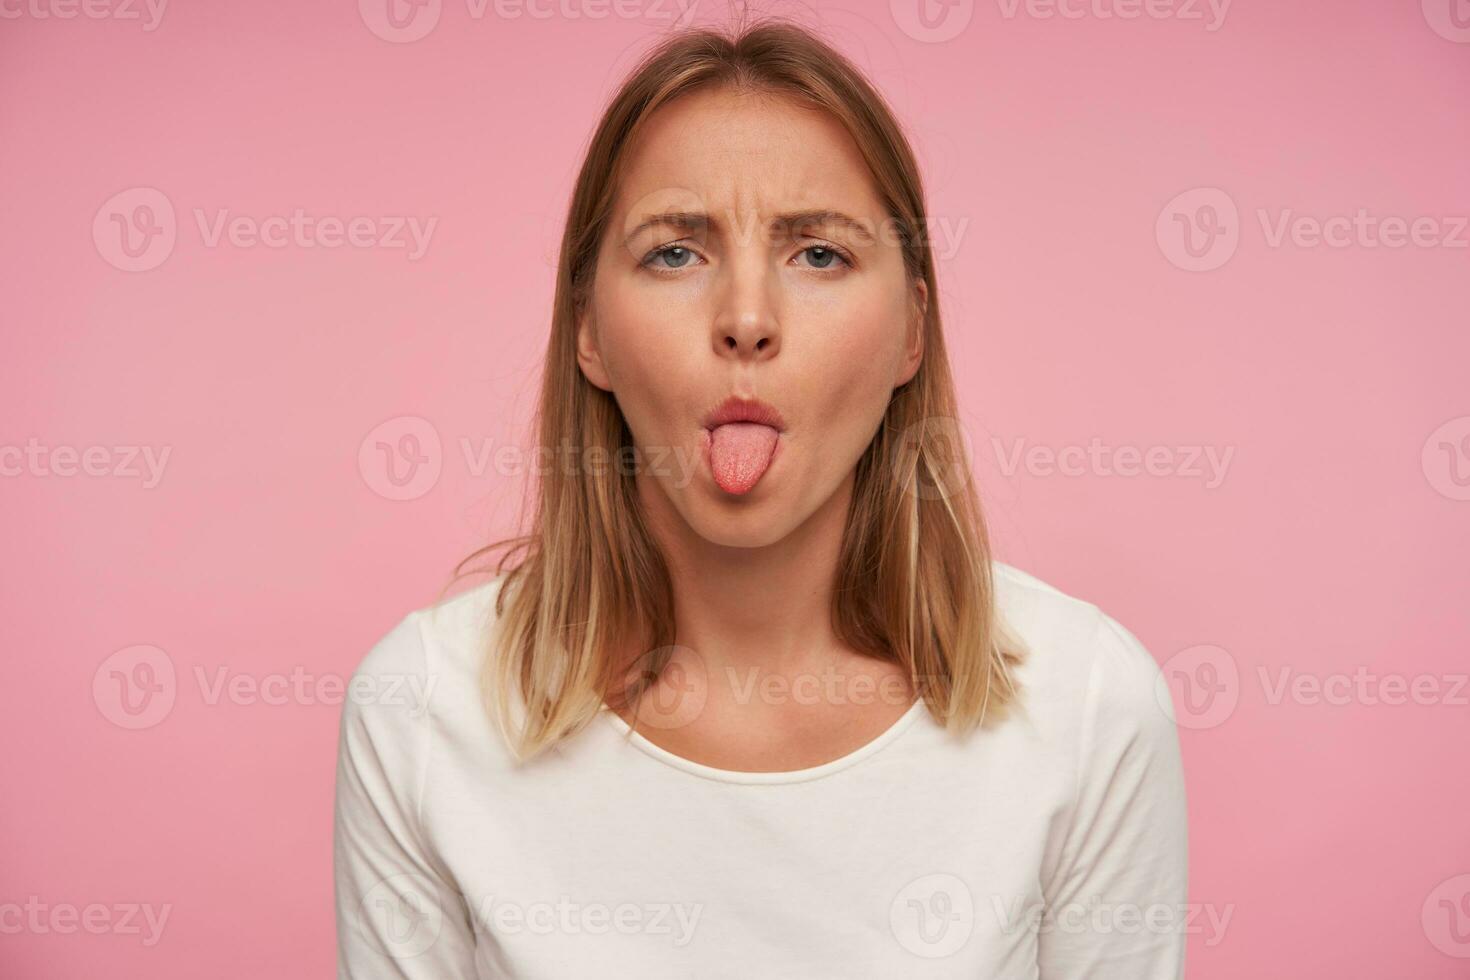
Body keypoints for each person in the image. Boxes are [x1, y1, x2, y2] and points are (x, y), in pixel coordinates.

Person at [333, 18, 1187, 979]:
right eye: (675, 253)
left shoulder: (1091, 708)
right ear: (590, 336)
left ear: (913, 331)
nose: (745, 321)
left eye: (818, 254)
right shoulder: (419, 713)